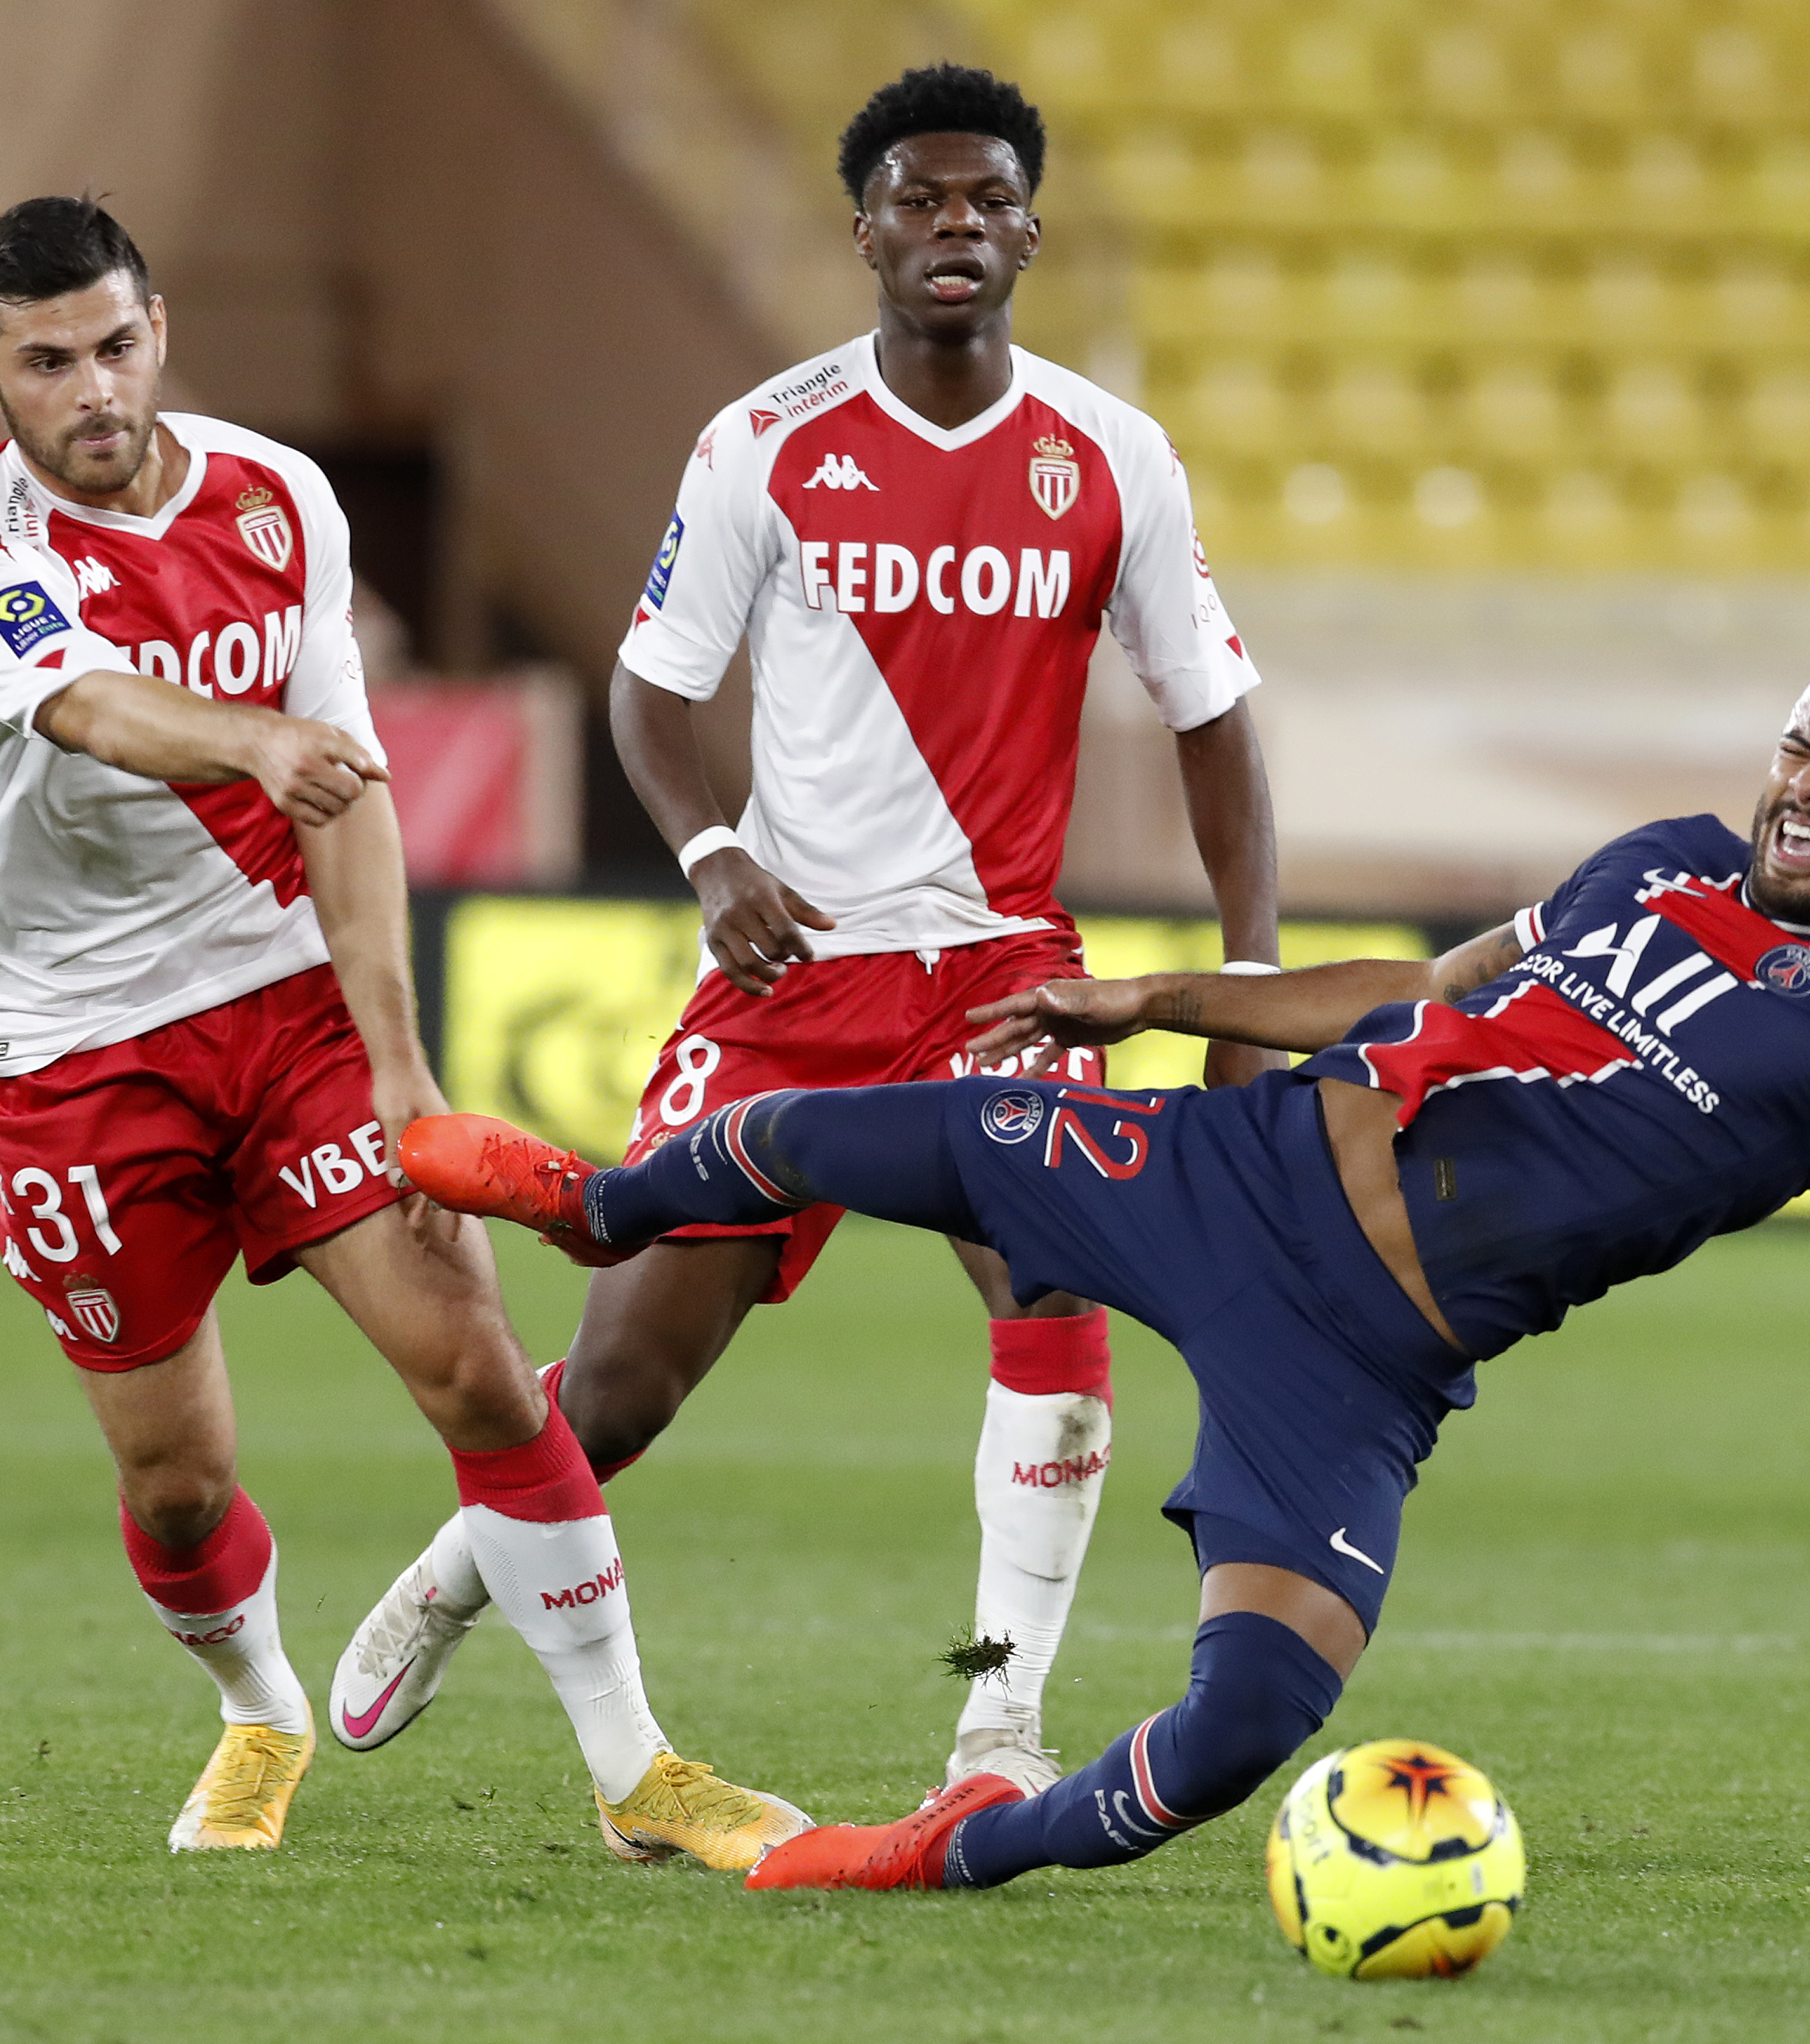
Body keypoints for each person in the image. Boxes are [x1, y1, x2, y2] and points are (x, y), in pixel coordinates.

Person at [398, 657, 1810, 1894]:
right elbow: (1415, 989)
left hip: (1365, 1360)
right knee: (874, 1122)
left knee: (1245, 1724)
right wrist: (1159, 1001)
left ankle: (947, 1844)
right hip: (1243, 1171)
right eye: (1802, 746)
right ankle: (605, 1206)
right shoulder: (1664, 855)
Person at [332, 64, 1278, 1798]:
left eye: (988, 201)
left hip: (1004, 976)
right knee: (620, 1386)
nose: (955, 228)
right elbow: (651, 687)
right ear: (864, 231)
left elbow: (1215, 717)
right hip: (794, 975)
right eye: (921, 200)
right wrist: (708, 852)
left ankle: (998, 1719)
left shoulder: (1114, 457)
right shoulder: (766, 441)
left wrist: (1254, 969)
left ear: (1031, 234)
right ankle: (456, 1569)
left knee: (1056, 1311)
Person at [0, 195, 805, 1863]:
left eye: (115, 345)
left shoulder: (279, 497)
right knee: (176, 1480)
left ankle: (636, 1770)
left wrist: (404, 1074)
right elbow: (101, 710)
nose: (92, 390)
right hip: (69, 1047)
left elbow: (349, 792)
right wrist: (253, 739)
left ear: (158, 324)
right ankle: (260, 1705)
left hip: (285, 997)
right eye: (46, 363)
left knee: (475, 1360)